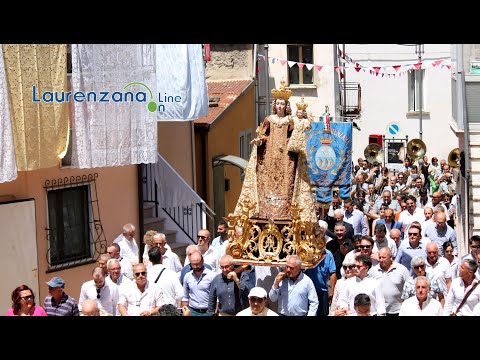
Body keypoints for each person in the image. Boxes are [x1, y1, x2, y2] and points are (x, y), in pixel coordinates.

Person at [233, 80, 317, 224]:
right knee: (268, 182)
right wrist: (259, 141)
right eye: (277, 103)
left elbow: (296, 135)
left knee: (286, 183)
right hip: (269, 157)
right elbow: (263, 134)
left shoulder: (290, 120)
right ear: (274, 105)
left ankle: (286, 210)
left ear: (286, 106)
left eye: (282, 103)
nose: (279, 106)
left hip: (287, 157)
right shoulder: (269, 119)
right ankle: (266, 210)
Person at [304, 248, 337, 316]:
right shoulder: (305, 251)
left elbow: (332, 273)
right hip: (306, 291)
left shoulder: (328, 254)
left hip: (322, 291)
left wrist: (332, 291)